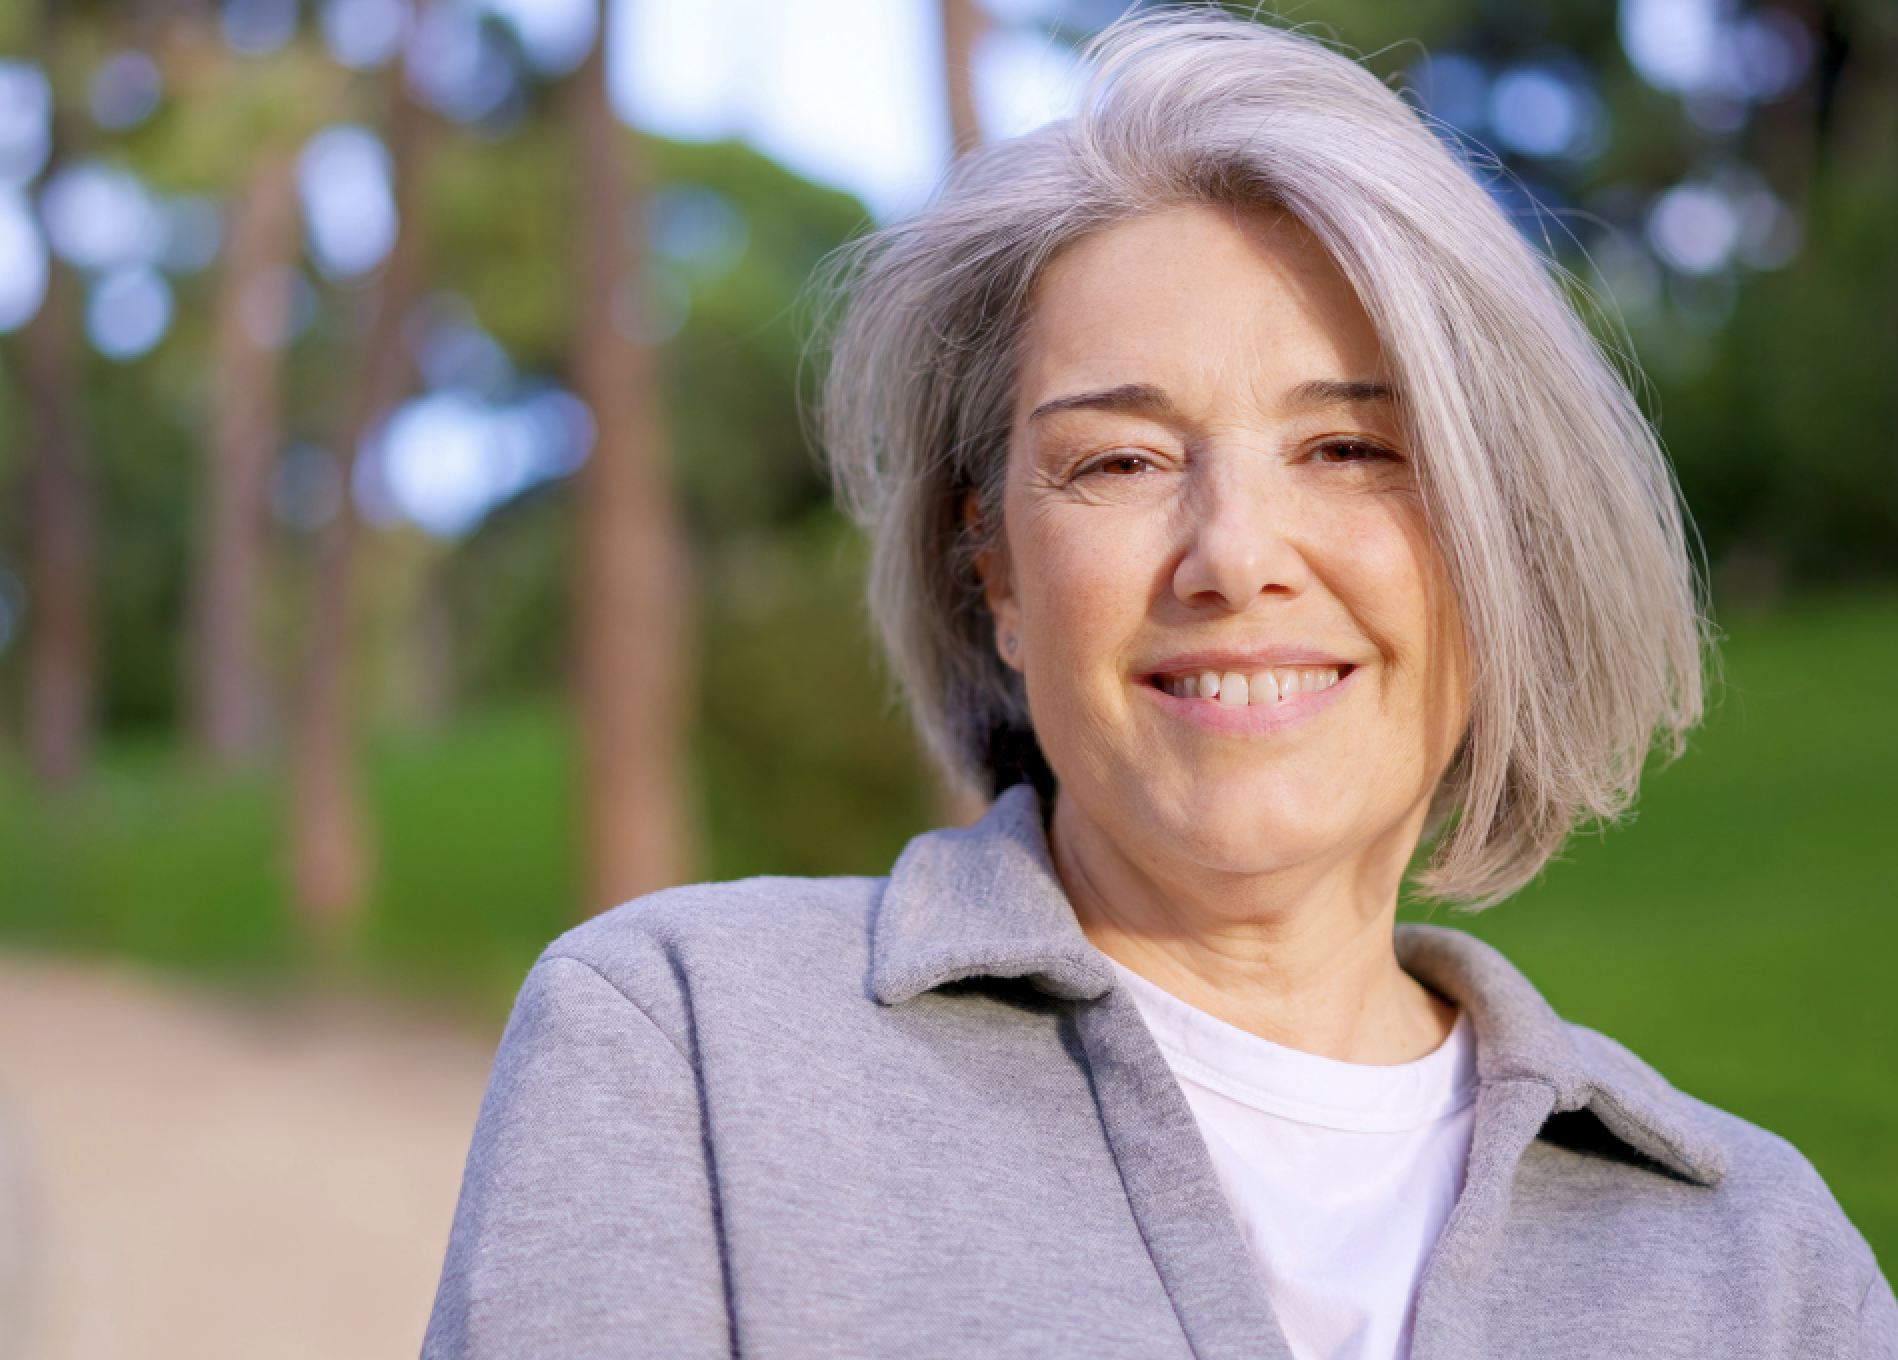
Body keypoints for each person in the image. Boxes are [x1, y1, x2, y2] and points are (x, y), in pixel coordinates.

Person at [423, 13, 1894, 1359]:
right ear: (991, 570)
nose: (1233, 556)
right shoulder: (687, 1053)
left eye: (1349, 449)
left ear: (1501, 545)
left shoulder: (1762, 1266)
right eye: (1116, 461)